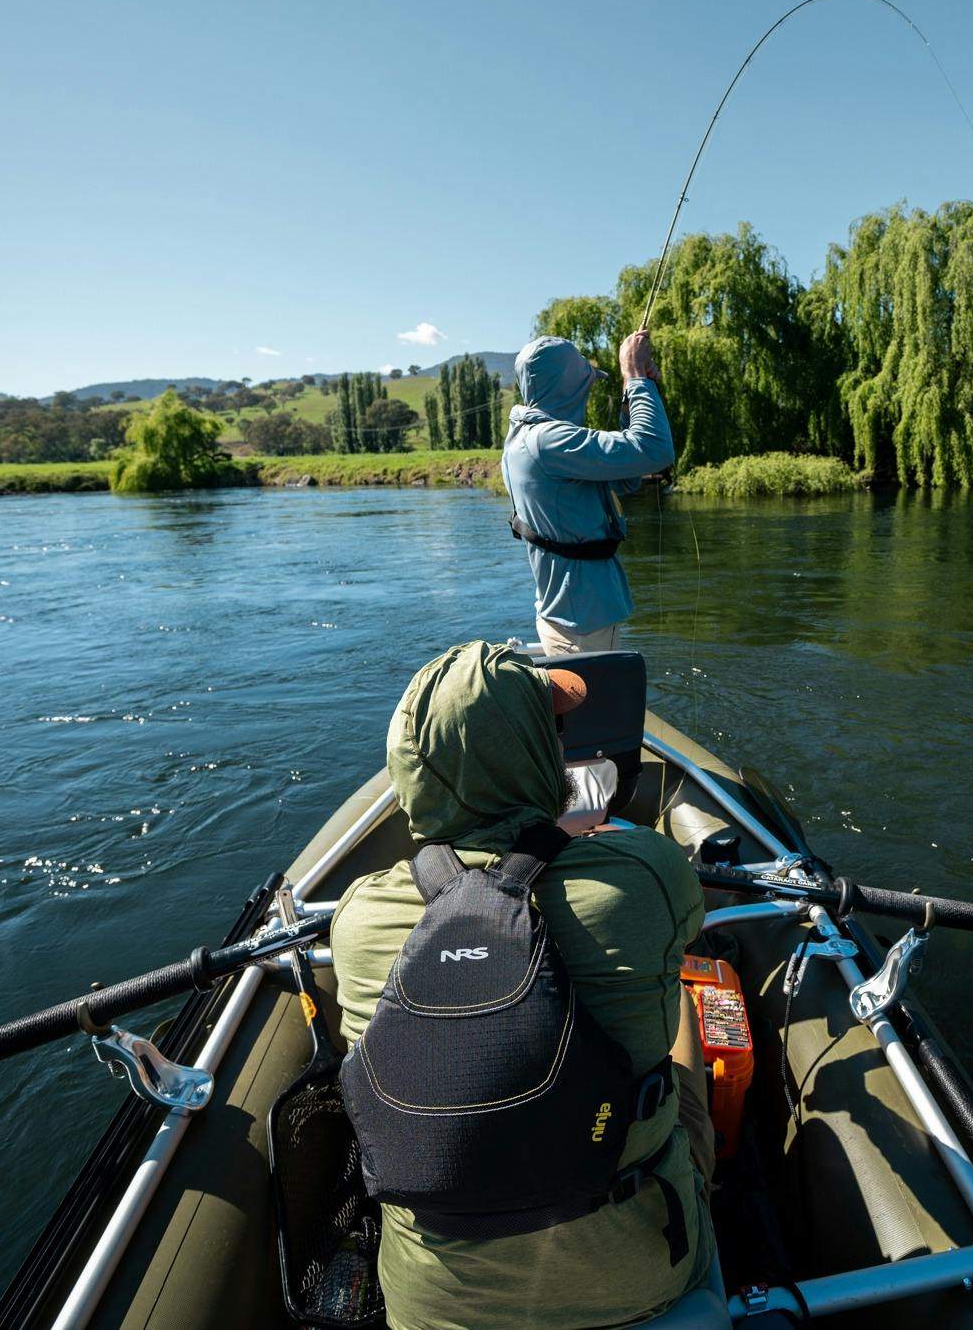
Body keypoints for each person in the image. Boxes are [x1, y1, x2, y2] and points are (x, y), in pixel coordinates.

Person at [329, 641, 715, 1330]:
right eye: (553, 730)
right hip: (635, 1280)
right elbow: (684, 927)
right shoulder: (643, 873)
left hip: (434, 1310)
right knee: (681, 1002)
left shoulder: (358, 920)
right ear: (539, 755)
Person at [503, 329, 673, 655]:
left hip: (562, 613)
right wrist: (636, 377)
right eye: (587, 382)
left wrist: (632, 399)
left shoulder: (523, 438)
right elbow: (655, 450)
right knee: (598, 703)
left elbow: (626, 477)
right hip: (586, 621)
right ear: (570, 386)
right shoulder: (550, 442)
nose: (591, 387)